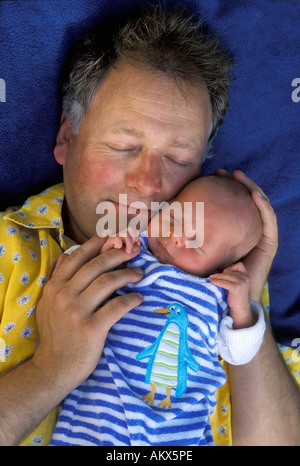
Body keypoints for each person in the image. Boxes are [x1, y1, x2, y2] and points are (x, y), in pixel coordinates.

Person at [0, 3, 299, 446]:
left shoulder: (218, 270)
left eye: (178, 159)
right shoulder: (7, 251)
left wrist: (249, 301)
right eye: (123, 146)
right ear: (66, 139)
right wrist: (50, 371)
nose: (149, 184)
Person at [50, 175, 267, 446]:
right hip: (102, 408)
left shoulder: (219, 292)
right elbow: (82, 281)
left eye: (196, 243)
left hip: (178, 428)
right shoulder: (134, 249)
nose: (175, 237)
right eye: (175, 218)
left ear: (222, 266)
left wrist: (242, 308)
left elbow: (239, 354)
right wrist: (109, 251)